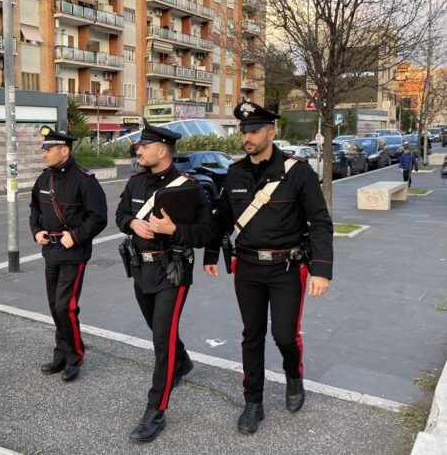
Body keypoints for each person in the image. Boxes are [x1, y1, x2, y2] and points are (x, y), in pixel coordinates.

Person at [204, 101, 333, 435]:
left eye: (253, 130)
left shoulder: (298, 171)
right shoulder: (234, 173)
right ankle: (254, 402)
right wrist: (208, 254)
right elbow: (222, 218)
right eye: (243, 131)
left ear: (271, 133)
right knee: (252, 334)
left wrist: (321, 269)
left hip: (287, 268)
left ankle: (293, 376)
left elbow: (319, 221)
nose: (246, 136)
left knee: (285, 335)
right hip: (246, 266)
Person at [115, 120, 214, 443]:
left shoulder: (189, 187)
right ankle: (182, 362)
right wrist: (132, 223)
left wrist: (173, 231)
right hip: (141, 269)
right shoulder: (135, 183)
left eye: (143, 145)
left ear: (162, 150)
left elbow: (205, 233)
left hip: (172, 271)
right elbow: (119, 214)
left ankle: (155, 410)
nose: (138, 149)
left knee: (161, 340)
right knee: (159, 331)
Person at [29, 126, 108, 383]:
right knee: (55, 307)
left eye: (49, 149)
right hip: (50, 251)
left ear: (65, 150)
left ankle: (75, 357)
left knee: (66, 306)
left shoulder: (85, 179)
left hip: (74, 253)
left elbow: (98, 218)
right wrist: (36, 230)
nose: (44, 154)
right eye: (44, 150)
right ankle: (60, 354)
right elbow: (34, 209)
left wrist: (74, 236)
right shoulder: (44, 179)